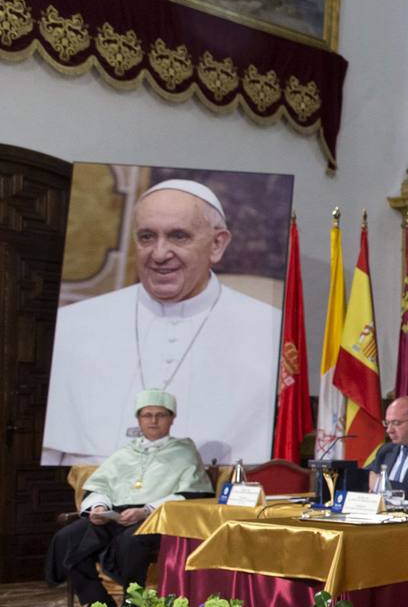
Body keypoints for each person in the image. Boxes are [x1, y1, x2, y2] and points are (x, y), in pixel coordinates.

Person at [43, 179, 281, 466]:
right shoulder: (72, 324)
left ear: (217, 244)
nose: (159, 254)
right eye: (146, 237)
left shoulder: (270, 330)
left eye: (178, 236)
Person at [45, 389, 212, 607]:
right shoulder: (125, 453)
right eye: (147, 415)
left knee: (131, 541)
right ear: (139, 419)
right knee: (69, 538)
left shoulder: (184, 452)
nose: (153, 421)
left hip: (156, 519)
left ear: (172, 419)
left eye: (160, 415)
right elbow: (100, 485)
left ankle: (134, 606)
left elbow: (193, 494)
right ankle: (99, 605)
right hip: (114, 516)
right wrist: (99, 507)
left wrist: (146, 510)